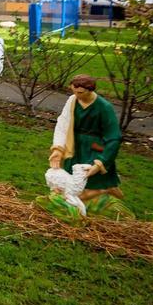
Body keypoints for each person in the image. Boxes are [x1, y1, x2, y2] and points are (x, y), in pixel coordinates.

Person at [46, 75, 131, 219]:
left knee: (90, 179)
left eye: (80, 92)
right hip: (75, 146)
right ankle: (76, 199)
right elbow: (63, 124)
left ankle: (102, 191)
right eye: (74, 91)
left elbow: (113, 137)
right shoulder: (72, 101)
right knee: (72, 178)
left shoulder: (104, 107)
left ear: (90, 90)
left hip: (94, 148)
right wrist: (58, 149)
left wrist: (101, 162)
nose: (76, 95)